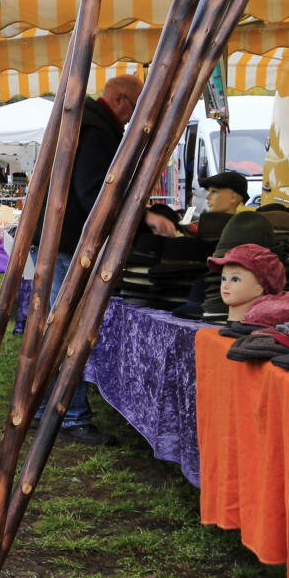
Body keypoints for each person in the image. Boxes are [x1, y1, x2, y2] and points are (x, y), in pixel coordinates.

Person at [36, 75, 177, 447]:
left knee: (56, 327)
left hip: (57, 239)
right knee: (68, 329)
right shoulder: (96, 132)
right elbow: (95, 190)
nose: (134, 119)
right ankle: (70, 414)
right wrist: (142, 216)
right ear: (119, 100)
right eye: (133, 108)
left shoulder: (83, 123)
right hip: (67, 243)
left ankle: (44, 407)